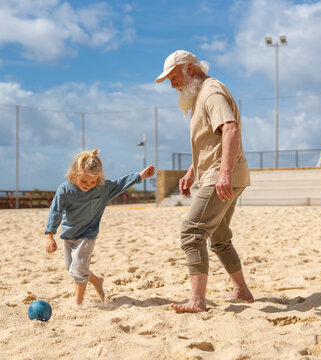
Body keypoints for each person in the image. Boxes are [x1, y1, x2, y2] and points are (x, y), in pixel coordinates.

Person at [155, 50, 254, 312]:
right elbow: (211, 141)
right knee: (219, 237)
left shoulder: (211, 92)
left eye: (174, 77)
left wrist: (224, 173)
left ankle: (197, 301)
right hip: (221, 174)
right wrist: (191, 172)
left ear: (189, 68)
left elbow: (230, 129)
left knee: (192, 233)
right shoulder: (200, 95)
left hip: (221, 176)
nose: (173, 84)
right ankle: (242, 291)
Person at [44, 149, 155, 307]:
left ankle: (77, 303)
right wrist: (49, 235)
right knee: (71, 268)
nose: (88, 185)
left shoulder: (102, 189)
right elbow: (55, 211)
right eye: (84, 181)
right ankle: (97, 280)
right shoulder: (65, 190)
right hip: (69, 234)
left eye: (92, 182)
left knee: (79, 269)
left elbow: (120, 184)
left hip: (87, 234)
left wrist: (140, 176)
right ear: (74, 174)